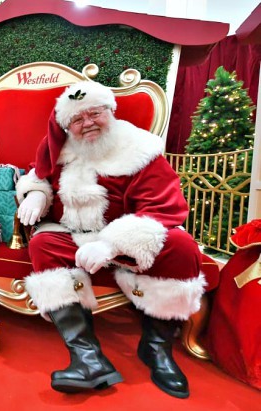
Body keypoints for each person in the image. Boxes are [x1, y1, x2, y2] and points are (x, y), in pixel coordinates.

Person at [16, 81, 206, 399]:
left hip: (127, 236)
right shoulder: (61, 149)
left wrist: (111, 244)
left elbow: (163, 209)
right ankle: (88, 358)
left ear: (111, 111)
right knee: (42, 243)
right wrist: (37, 193)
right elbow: (40, 174)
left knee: (182, 246)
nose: (87, 122)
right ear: (67, 126)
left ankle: (156, 347)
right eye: (77, 119)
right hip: (74, 236)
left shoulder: (139, 150)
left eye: (95, 113)